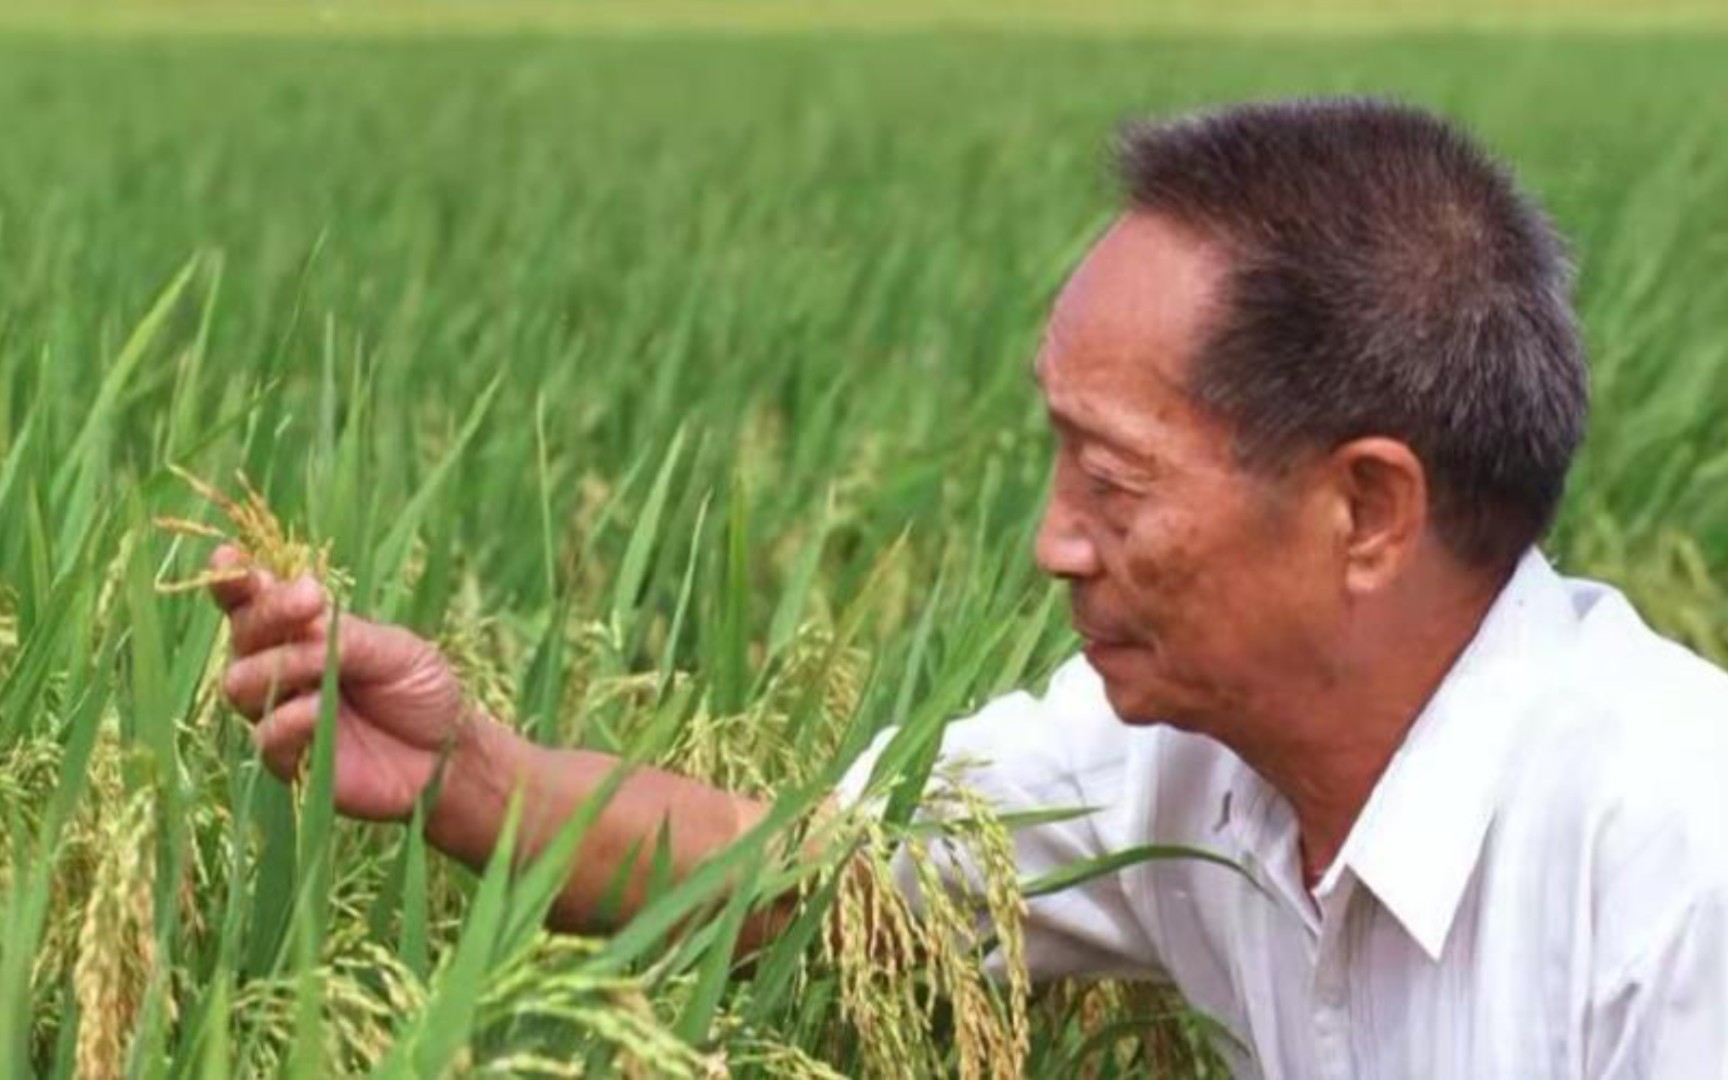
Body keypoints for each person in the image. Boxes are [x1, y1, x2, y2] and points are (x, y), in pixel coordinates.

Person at [206, 98, 1728, 1078]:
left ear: (1368, 511)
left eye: (1114, 483)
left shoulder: (1676, 863)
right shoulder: (1171, 761)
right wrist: (464, 773)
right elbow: (809, 879)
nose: (1053, 542)